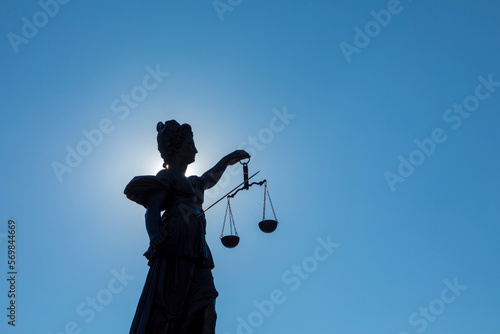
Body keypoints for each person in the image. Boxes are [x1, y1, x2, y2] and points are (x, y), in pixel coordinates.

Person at [124, 120, 250, 334]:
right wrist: (154, 234)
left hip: (199, 249)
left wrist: (227, 160)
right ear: (176, 147)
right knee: (173, 306)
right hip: (177, 245)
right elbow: (152, 208)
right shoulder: (167, 177)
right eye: (191, 144)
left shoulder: (193, 182)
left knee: (207, 305)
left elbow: (209, 178)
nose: (196, 150)